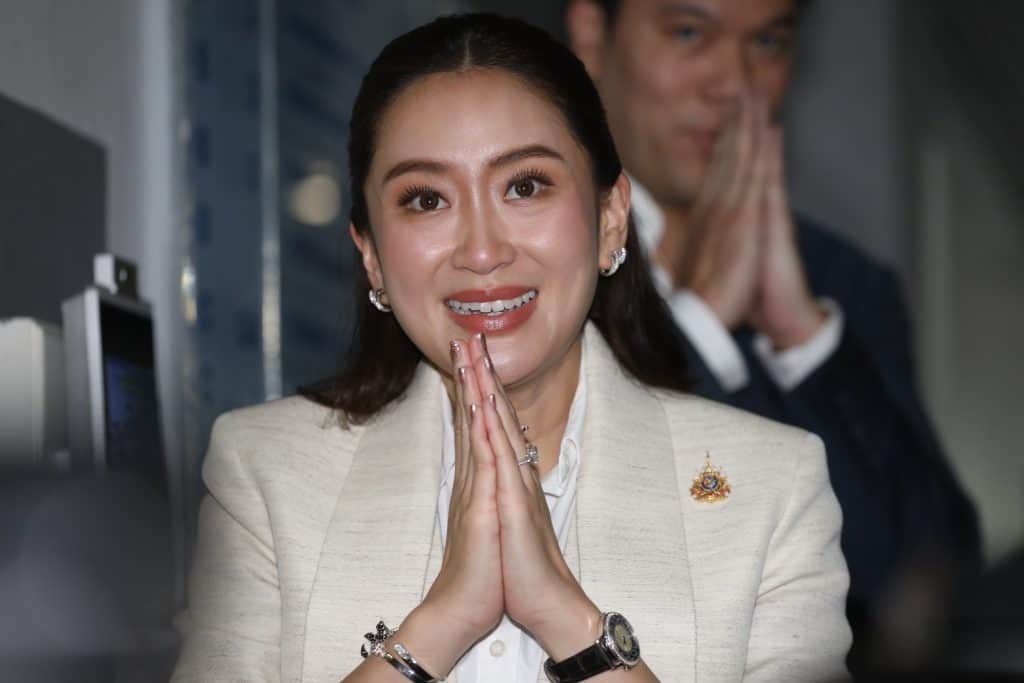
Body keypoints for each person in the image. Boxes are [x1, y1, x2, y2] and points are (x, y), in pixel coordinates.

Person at [172, 13, 851, 683]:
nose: (482, 250)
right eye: (426, 199)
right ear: (372, 254)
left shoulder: (771, 488)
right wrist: (444, 619)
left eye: (524, 186)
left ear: (611, 218)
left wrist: (563, 615)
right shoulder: (265, 473)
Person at [565, 0, 981, 670]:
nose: (735, 84)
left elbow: (938, 589)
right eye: (689, 33)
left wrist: (803, 340)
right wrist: (700, 329)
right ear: (592, 34)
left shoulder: (842, 283)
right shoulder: (524, 267)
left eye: (768, 42)